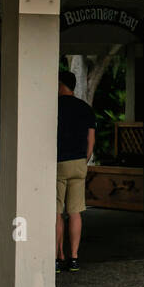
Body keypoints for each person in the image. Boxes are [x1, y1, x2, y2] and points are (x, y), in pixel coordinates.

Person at [56, 69, 96, 273]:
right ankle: (73, 258)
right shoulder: (85, 109)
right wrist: (85, 159)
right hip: (79, 162)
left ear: (60, 84)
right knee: (75, 212)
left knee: (56, 212)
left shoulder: (54, 107)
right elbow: (91, 140)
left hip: (58, 163)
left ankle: (57, 255)